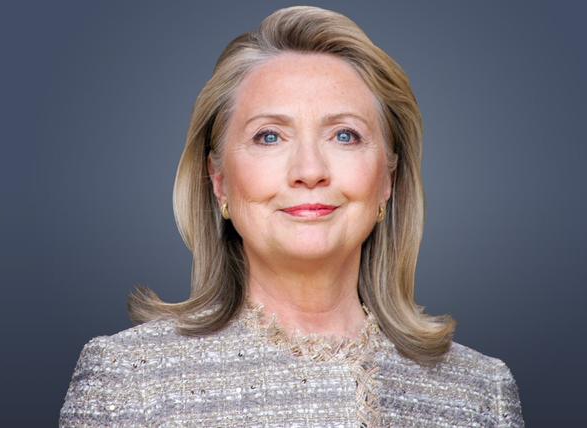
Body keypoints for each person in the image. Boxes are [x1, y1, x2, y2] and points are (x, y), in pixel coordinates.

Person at [59, 5, 525, 427]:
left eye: (344, 136)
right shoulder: (128, 382)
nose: (309, 172)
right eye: (269, 137)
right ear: (218, 180)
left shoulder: (483, 393)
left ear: (388, 179)